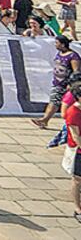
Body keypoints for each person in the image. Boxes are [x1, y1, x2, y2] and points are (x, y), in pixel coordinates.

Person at [32, 36, 81, 128]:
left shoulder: (73, 56)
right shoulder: (60, 53)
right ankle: (45, 120)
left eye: (57, 43)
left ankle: (45, 120)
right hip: (57, 83)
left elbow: (76, 71)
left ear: (63, 44)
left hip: (67, 84)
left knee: (58, 102)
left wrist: (72, 84)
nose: (55, 45)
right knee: (54, 101)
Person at [61, 77, 81, 222]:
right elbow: (75, 136)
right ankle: (78, 208)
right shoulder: (73, 112)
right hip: (78, 151)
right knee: (77, 179)